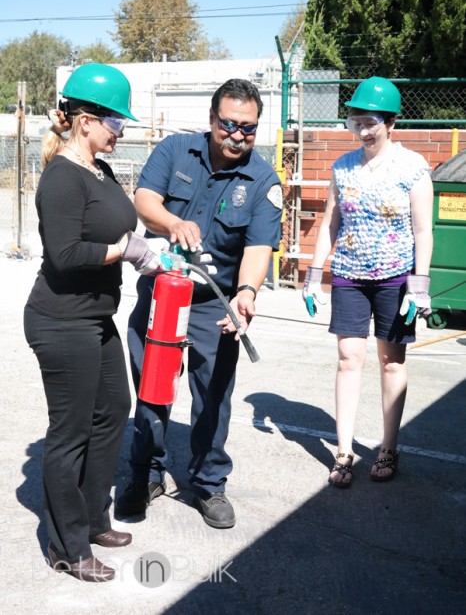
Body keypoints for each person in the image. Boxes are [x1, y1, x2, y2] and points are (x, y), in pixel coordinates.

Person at [23, 63, 172, 581]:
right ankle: (66, 546)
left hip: (95, 315)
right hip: (62, 320)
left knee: (113, 409)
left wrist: (149, 246)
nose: (121, 130)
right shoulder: (62, 176)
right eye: (115, 121)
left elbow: (121, 223)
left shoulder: (101, 170)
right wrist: (123, 250)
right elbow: (64, 254)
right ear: (85, 120)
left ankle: (90, 518)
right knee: (70, 433)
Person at [117, 78, 283, 528]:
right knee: (152, 390)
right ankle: (144, 474)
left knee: (213, 396)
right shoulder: (175, 151)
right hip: (164, 291)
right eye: (229, 124)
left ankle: (209, 483)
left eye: (248, 128)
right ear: (212, 120)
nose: (237, 135)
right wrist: (173, 222)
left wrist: (246, 294)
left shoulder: (263, 179)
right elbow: (145, 201)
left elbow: (258, 249)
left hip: (215, 302)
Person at [302, 76, 433, 488]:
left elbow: (423, 231)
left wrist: (420, 284)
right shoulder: (342, 167)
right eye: (355, 120)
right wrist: (312, 275)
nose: (362, 129)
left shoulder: (413, 167)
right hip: (349, 277)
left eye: (371, 121)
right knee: (348, 360)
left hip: (395, 278)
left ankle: (389, 446)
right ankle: (344, 452)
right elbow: (330, 223)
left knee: (391, 361)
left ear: (392, 123)